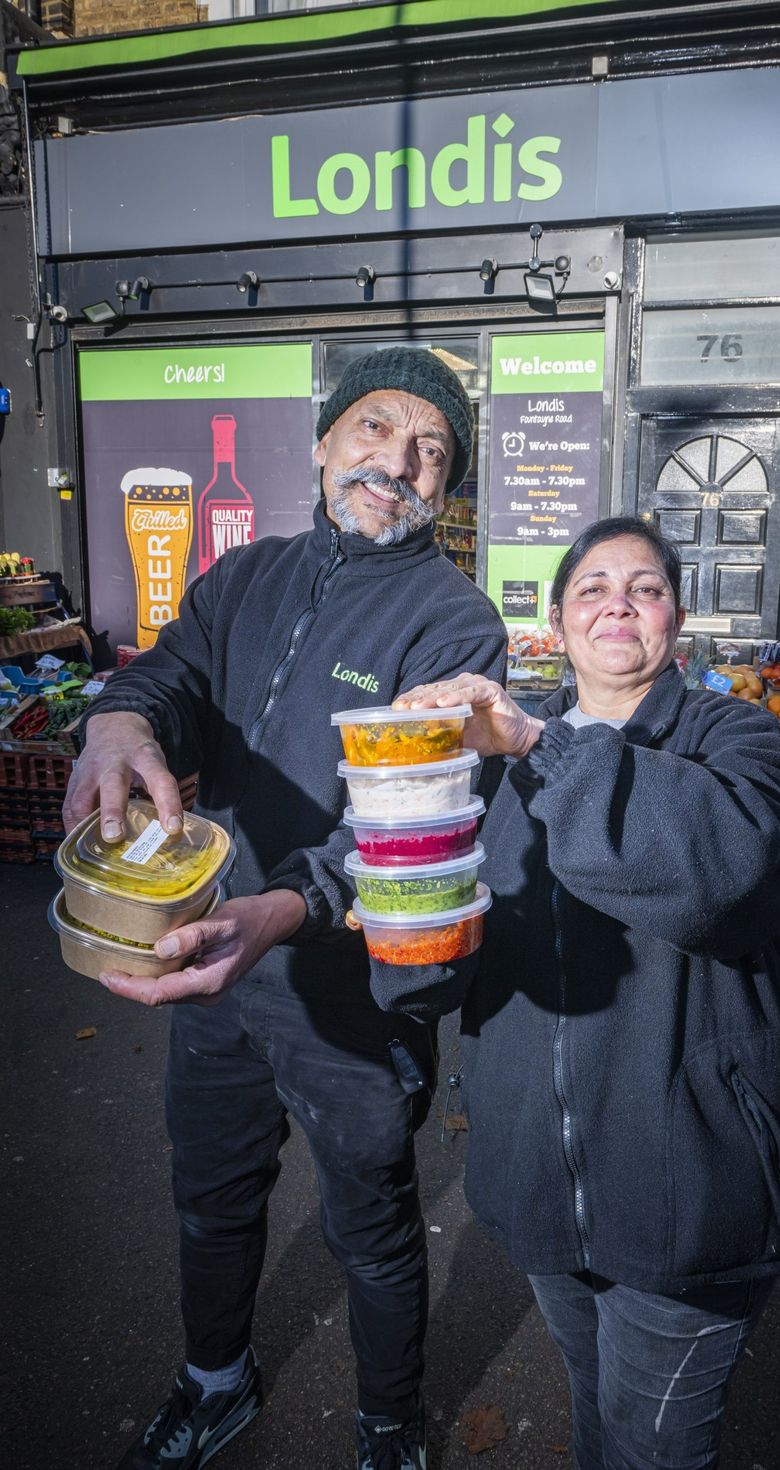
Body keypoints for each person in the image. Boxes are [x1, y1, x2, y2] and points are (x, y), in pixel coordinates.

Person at [63, 347, 507, 1470]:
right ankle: (216, 1383)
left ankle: (389, 1426)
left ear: (445, 492)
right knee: (210, 1194)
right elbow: (169, 679)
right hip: (211, 957)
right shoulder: (241, 580)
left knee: (371, 1227)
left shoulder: (457, 629)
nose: (396, 463)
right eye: (373, 430)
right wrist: (119, 720)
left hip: (354, 991)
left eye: (429, 451)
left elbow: (400, 832)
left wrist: (283, 906)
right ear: (322, 444)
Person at [369, 515, 780, 1470]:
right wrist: (389, 906)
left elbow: (727, 870)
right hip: (539, 1181)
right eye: (593, 589)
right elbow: (451, 942)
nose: (619, 601)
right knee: (596, 1413)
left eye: (647, 587)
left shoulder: (738, 738)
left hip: (692, 1192)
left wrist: (540, 742)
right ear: (560, 623)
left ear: (679, 621)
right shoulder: (488, 759)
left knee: (656, 1447)